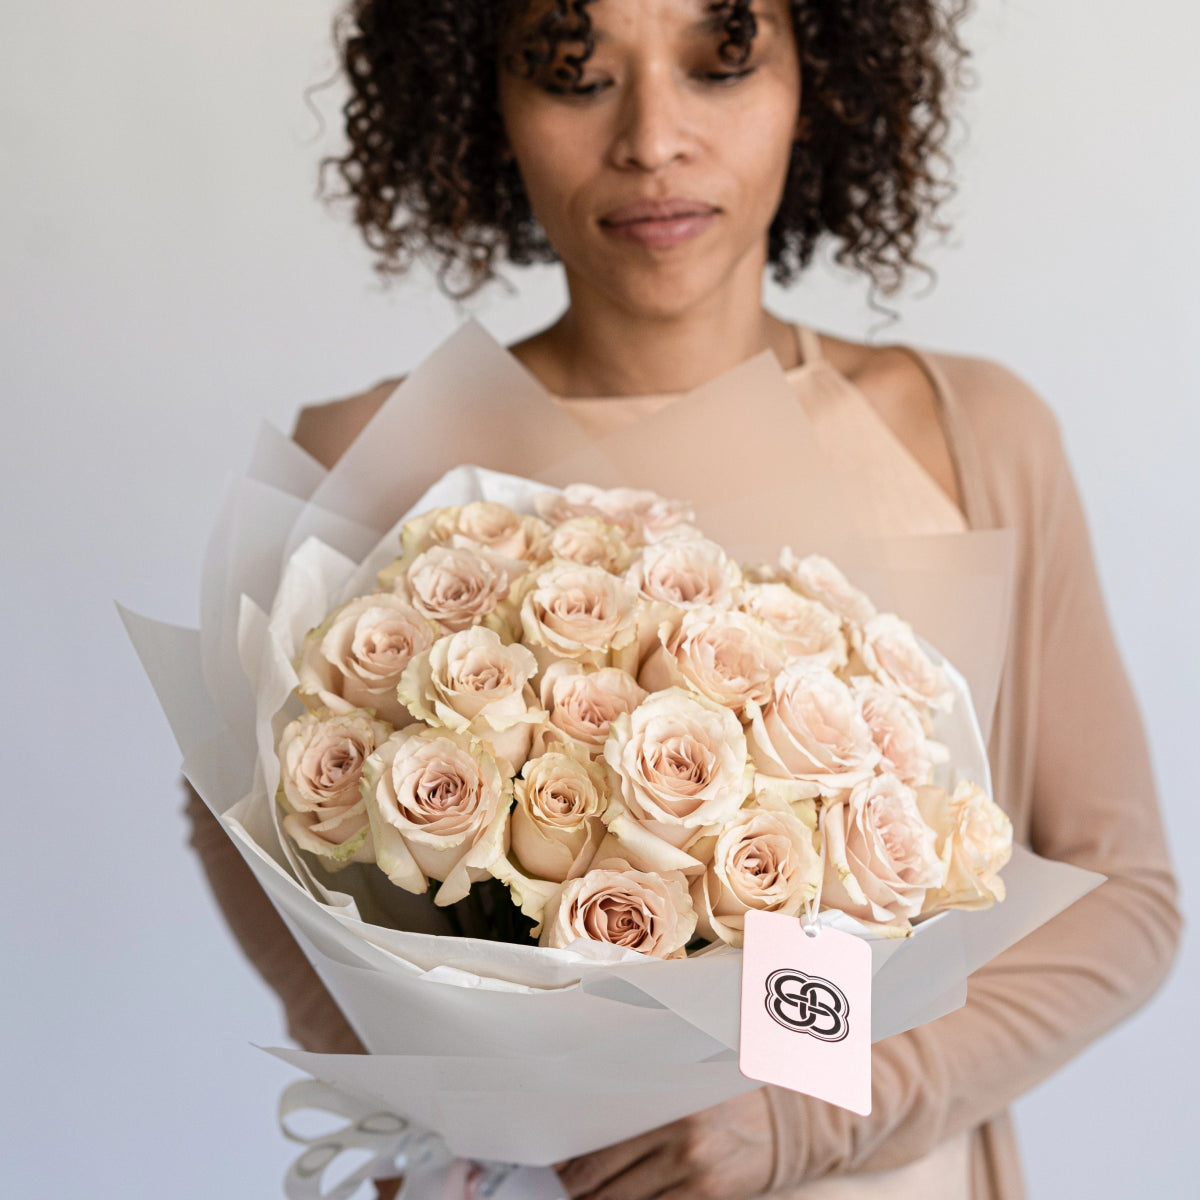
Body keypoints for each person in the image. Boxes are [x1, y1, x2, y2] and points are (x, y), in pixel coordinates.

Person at [184, 1, 1181, 1197]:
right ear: (478, 102)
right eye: (572, 73)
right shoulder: (369, 453)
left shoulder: (970, 434)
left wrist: (807, 1111)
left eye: (720, 64)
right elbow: (242, 818)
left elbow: (1121, 893)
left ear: (824, 75)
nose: (653, 138)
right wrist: (460, 1089)